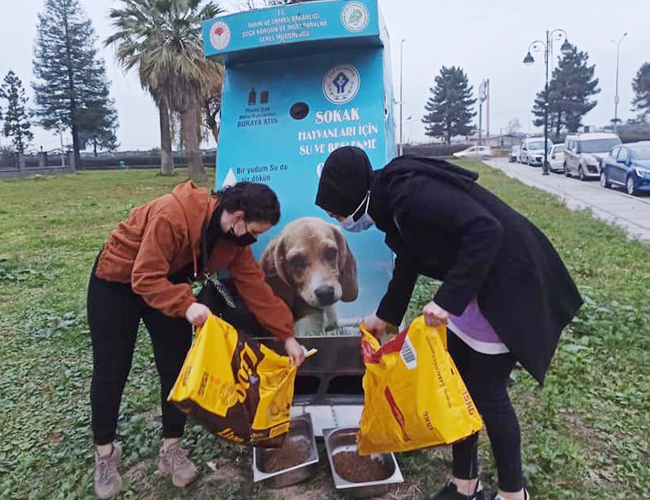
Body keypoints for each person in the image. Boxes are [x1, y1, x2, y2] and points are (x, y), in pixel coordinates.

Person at [315, 147, 583, 500]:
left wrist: (447, 301)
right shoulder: (389, 203)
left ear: (352, 198)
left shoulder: (411, 195)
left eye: (338, 214)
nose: (341, 223)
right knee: (455, 381)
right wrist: (386, 316)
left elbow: (487, 230)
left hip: (510, 280)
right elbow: (409, 256)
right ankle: (464, 482)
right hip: (476, 281)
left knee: (487, 391)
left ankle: (512, 495)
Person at [87, 180, 305, 499]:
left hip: (170, 281)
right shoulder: (171, 215)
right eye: (254, 232)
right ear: (237, 217)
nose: (254, 239)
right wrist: (187, 305)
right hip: (118, 281)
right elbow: (144, 277)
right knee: (111, 369)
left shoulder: (234, 241)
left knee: (178, 367)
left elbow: (256, 288)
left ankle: (171, 449)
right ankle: (105, 454)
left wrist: (287, 335)